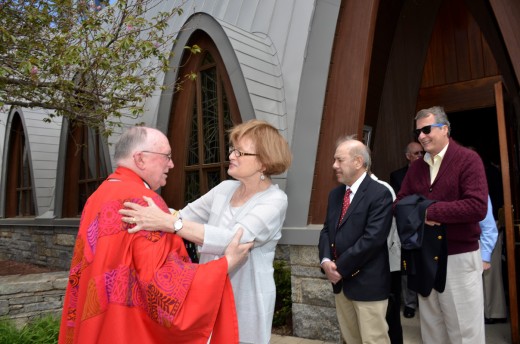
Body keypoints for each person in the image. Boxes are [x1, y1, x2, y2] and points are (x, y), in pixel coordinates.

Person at [58, 126, 253, 344]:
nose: (171, 164)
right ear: (140, 159)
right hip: (127, 330)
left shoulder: (98, 196)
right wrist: (224, 265)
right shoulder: (145, 203)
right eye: (166, 157)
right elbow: (162, 286)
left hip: (98, 324)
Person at [119, 119, 292, 344]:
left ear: (264, 163)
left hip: (248, 298)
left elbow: (235, 240)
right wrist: (144, 204)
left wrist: (169, 223)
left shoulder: (275, 200)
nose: (231, 156)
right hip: (209, 289)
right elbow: (183, 214)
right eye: (232, 149)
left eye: (240, 152)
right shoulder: (224, 189)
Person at [394, 106, 488, 344]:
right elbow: (399, 204)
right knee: (432, 331)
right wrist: (424, 213)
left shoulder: (468, 159)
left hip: (459, 257)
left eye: (427, 129)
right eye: (418, 132)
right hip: (425, 257)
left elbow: (477, 206)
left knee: (465, 332)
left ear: (445, 129)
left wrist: (429, 210)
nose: (422, 136)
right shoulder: (416, 167)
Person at [318, 136, 393, 344]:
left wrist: (338, 268)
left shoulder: (380, 194)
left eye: (339, 160)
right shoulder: (335, 195)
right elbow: (326, 231)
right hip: (341, 284)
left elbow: (373, 239)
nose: (334, 166)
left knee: (373, 340)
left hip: (368, 284)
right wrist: (325, 261)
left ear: (358, 162)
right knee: (351, 339)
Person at [389, 141, 423, 319]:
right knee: (407, 268)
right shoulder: (397, 176)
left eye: (422, 153)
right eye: (416, 153)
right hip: (406, 228)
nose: (420, 156)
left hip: (428, 225)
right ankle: (409, 303)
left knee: (424, 265)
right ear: (408, 156)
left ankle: (425, 302)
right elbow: (399, 203)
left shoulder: (431, 171)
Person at [370, 173, 402, 344]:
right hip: (370, 265)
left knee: (390, 314)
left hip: (387, 263)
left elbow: (386, 232)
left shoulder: (383, 189)